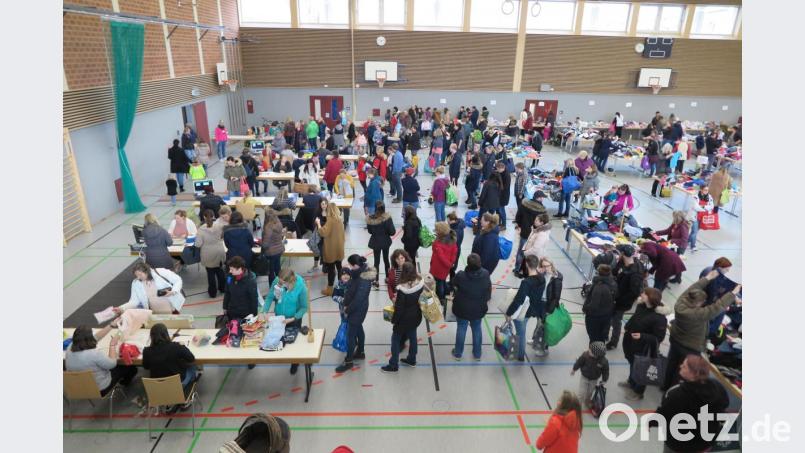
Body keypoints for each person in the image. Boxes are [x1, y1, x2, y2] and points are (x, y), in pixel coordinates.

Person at [662, 270, 741, 391]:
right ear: (698, 303)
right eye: (703, 302)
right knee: (681, 372)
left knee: (671, 365)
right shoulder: (698, 314)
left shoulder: (680, 303)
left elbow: (690, 290)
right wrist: (733, 293)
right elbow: (717, 307)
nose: (704, 304)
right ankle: (672, 391)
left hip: (676, 340)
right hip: (690, 347)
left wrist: (707, 278)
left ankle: (665, 385)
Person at [655, 355, 730, 453]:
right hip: (704, 442)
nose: (680, 366)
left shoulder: (677, 394)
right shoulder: (717, 387)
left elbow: (664, 415)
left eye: (685, 366)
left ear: (694, 374)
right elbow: (724, 405)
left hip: (679, 444)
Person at [618, 287, 670, 400]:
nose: (642, 294)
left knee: (642, 368)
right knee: (633, 363)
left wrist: (643, 336)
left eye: (644, 294)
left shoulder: (660, 318)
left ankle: (638, 392)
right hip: (631, 343)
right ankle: (631, 382)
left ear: (650, 298)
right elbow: (635, 318)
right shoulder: (641, 306)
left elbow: (659, 338)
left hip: (643, 347)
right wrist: (628, 327)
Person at [65, 324, 137, 396]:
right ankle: (124, 383)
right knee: (130, 367)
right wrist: (112, 345)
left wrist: (111, 326)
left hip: (80, 387)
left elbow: (95, 338)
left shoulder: (69, 347)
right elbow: (112, 364)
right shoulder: (94, 354)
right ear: (89, 340)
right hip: (100, 389)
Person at [262, 268, 308, 374]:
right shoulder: (278, 280)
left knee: (293, 343)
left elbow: (304, 307)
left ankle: (294, 362)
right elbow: (270, 297)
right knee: (281, 338)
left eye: (283, 283)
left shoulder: (301, 287)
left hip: (293, 319)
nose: (280, 284)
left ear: (290, 281)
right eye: (280, 282)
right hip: (279, 318)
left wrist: (293, 318)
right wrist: (264, 311)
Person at [335, 255, 375, 373]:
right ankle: (360, 352)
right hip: (355, 308)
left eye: (350, 265)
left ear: (356, 265)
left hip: (357, 310)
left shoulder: (363, 280)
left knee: (350, 335)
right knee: (358, 329)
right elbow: (351, 290)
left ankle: (349, 361)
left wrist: (347, 310)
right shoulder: (358, 273)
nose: (349, 267)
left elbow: (358, 300)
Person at [381, 263, 424, 373]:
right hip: (416, 315)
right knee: (413, 337)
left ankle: (393, 365)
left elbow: (399, 308)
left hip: (403, 319)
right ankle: (412, 359)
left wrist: (394, 320)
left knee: (395, 339)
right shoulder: (419, 282)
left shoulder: (402, 289)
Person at [506, 255, 548, 362]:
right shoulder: (542, 278)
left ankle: (520, 356)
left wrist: (509, 313)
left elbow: (519, 300)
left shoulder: (526, 283)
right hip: (533, 309)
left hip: (523, 312)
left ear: (527, 265)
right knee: (522, 331)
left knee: (520, 333)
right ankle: (520, 354)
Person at [450, 253, 491, 361]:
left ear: (468, 264)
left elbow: (453, 284)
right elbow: (488, 290)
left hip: (462, 308)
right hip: (478, 308)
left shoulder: (460, 275)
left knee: (461, 328)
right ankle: (477, 354)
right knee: (477, 329)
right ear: (479, 263)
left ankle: (458, 353)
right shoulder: (486, 274)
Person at [143, 323, 198, 397]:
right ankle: (187, 390)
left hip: (157, 387)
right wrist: (183, 346)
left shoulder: (146, 351)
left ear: (151, 337)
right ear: (166, 334)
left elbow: (146, 367)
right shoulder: (176, 347)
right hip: (178, 384)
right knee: (192, 366)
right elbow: (191, 358)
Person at [607, 245, 645, 350]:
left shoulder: (635, 272)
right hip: (615, 296)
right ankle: (605, 332)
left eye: (620, 253)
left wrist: (618, 299)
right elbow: (615, 272)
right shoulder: (622, 262)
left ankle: (614, 342)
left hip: (622, 302)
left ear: (623, 253)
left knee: (616, 320)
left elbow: (634, 292)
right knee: (609, 316)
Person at [115, 261, 185, 314]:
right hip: (154, 312)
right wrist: (122, 308)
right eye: (136, 275)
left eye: (140, 274)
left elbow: (178, 280)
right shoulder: (136, 283)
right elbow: (134, 301)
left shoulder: (161, 272)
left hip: (171, 309)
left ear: (146, 271)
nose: (138, 277)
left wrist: (173, 291)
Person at [194, 209, 227, 298]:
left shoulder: (201, 229)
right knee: (220, 270)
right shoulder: (220, 226)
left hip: (207, 253)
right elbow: (223, 237)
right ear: (214, 216)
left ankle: (212, 293)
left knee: (210, 273)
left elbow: (198, 244)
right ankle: (223, 288)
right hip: (219, 250)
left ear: (204, 217)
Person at [582, 264, 618, 343]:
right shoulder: (613, 283)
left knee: (594, 337)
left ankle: (594, 353)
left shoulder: (599, 287)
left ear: (598, 272)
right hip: (607, 315)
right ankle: (599, 352)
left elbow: (594, 305)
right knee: (601, 337)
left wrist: (585, 309)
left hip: (595, 317)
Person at [317, 202, 345, 296]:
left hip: (331, 249)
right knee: (339, 267)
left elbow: (323, 233)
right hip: (339, 247)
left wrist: (318, 224)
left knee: (331, 269)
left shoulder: (330, 220)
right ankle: (342, 287)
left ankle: (329, 289)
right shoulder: (340, 219)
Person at [571, 341, 609, 409]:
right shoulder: (585, 355)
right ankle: (578, 406)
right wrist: (574, 369)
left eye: (591, 351)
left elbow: (605, 371)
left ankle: (587, 402)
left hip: (594, 379)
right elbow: (579, 362)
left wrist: (604, 379)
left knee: (589, 393)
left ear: (597, 355)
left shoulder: (603, 361)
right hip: (584, 377)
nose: (589, 351)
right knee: (581, 393)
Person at [366, 201, 396, 288]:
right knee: (386, 260)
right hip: (385, 242)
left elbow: (370, 231)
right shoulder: (387, 218)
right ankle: (387, 278)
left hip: (376, 242)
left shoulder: (371, 218)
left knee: (376, 262)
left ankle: (376, 280)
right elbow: (392, 232)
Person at [222, 256, 259, 321]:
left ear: (240, 269)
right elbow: (227, 292)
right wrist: (225, 307)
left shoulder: (250, 281)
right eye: (230, 269)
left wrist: (254, 314)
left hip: (245, 313)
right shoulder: (229, 277)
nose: (230, 271)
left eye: (232, 269)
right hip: (232, 311)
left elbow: (254, 298)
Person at [430, 222, 458, 301]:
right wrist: (451, 264)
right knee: (442, 281)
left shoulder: (438, 244)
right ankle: (448, 291)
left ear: (440, 232)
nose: (435, 231)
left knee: (439, 284)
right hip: (445, 268)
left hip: (438, 268)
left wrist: (436, 247)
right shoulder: (452, 240)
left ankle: (440, 298)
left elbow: (441, 257)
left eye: (436, 230)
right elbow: (454, 253)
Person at [261, 210, 285, 285]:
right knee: (278, 269)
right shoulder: (278, 223)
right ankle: (281, 284)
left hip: (271, 252)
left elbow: (265, 244)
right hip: (279, 250)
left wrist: (260, 244)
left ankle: (272, 288)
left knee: (271, 272)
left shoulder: (269, 227)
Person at [446, 212, 466, 281]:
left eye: (448, 220)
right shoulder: (459, 225)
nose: (447, 222)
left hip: (454, 252)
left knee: (452, 267)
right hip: (457, 249)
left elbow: (452, 243)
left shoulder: (455, 231)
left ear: (452, 220)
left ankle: (452, 282)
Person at [495, 162, 512, 230]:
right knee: (497, 210)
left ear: (502, 168)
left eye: (498, 169)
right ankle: (498, 222)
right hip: (498, 195)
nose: (497, 170)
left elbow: (505, 187)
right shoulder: (500, 172)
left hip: (503, 196)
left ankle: (504, 225)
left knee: (501, 210)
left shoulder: (507, 175)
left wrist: (497, 186)